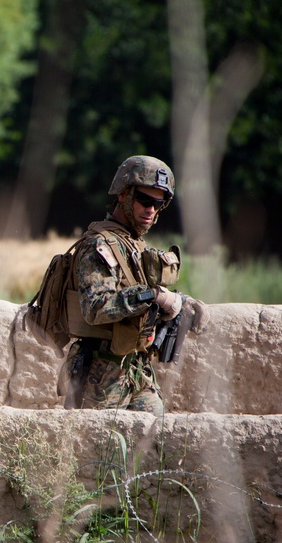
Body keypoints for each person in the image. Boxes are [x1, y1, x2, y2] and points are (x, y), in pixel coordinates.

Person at [60, 155, 207, 414]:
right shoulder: (99, 245)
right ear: (123, 196)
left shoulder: (133, 245)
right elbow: (96, 307)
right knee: (97, 450)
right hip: (101, 374)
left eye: (159, 203)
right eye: (145, 200)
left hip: (137, 369)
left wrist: (179, 301)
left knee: (154, 446)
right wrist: (154, 295)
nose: (151, 209)